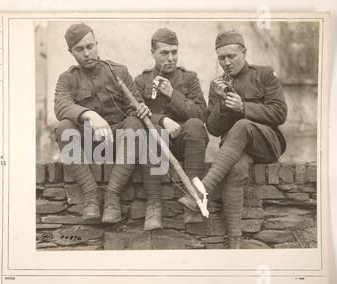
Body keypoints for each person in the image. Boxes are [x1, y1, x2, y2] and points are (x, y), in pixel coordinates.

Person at [179, 30, 288, 248]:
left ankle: (202, 190)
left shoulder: (264, 74)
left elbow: (280, 113)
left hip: (268, 144)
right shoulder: (216, 85)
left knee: (242, 124)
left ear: (244, 52)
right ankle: (235, 241)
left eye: (232, 56)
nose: (226, 62)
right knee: (236, 169)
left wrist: (243, 107)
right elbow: (213, 129)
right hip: (236, 150)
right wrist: (219, 103)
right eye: (221, 58)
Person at [53, 23, 152, 224]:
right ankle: (91, 194)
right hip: (89, 146)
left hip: (120, 146)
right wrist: (89, 115)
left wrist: (141, 109)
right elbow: (61, 106)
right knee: (64, 128)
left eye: (90, 46)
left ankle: (112, 196)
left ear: (97, 44)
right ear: (70, 52)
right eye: (79, 49)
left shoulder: (118, 71)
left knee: (134, 124)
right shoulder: (67, 79)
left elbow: (135, 104)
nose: (87, 53)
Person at [135, 28, 209, 230]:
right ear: (152, 52)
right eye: (164, 53)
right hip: (154, 147)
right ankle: (154, 205)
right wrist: (162, 120)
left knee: (194, 125)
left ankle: (192, 198)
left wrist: (172, 94)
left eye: (174, 52)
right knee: (151, 132)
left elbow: (202, 114)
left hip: (184, 144)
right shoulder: (141, 81)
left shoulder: (189, 78)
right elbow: (134, 116)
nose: (170, 58)